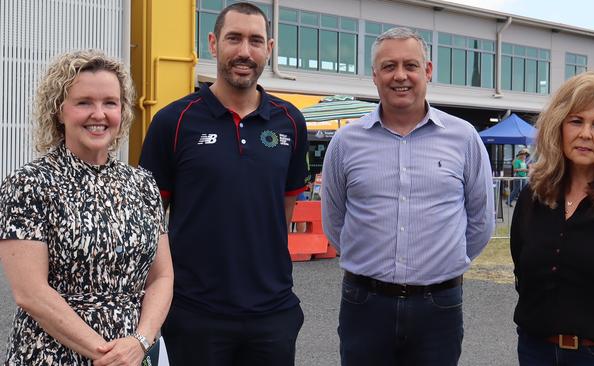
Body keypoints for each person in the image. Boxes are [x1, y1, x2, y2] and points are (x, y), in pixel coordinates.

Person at [138, 2, 309, 365]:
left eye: (255, 41)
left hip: (272, 313)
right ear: (213, 44)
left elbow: (284, 210)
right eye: (234, 39)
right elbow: (151, 223)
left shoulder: (290, 122)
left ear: (269, 49)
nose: (244, 51)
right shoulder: (174, 121)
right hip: (195, 313)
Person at [321, 27, 495, 366]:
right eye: (389, 67)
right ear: (375, 76)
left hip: (438, 305)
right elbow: (334, 221)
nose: (400, 76)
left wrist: (438, 266)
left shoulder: (464, 138)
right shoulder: (345, 142)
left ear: (427, 71)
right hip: (364, 303)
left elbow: (480, 222)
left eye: (410, 65)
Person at [0, 50, 173, 365]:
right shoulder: (29, 184)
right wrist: (106, 354)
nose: (99, 114)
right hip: (52, 354)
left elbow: (162, 277)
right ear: (59, 110)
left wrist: (141, 341)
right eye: (84, 103)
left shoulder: (143, 184)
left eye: (110, 102)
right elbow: (31, 293)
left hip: (134, 353)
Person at [510, 71, 594, 365]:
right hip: (537, 351)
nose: (585, 133)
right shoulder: (533, 197)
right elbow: (523, 273)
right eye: (576, 121)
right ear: (558, 126)